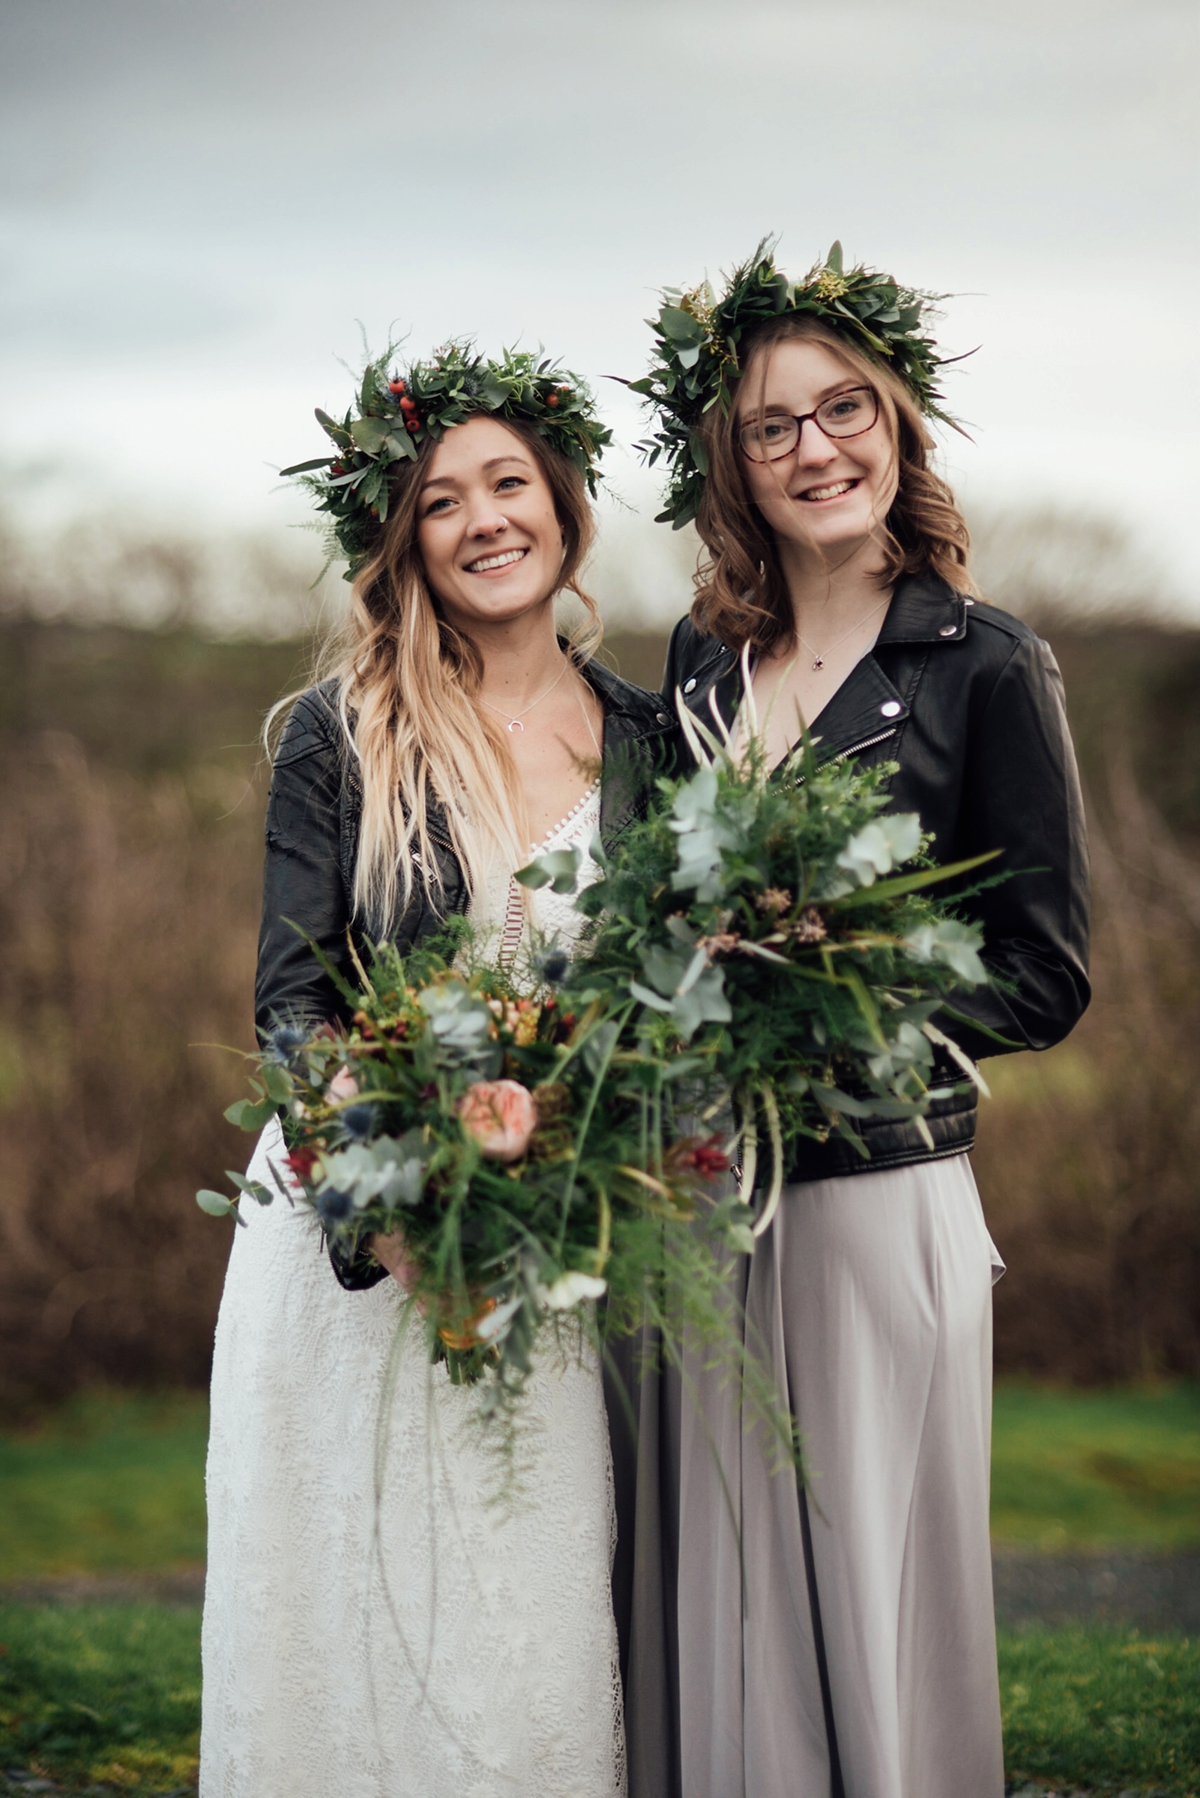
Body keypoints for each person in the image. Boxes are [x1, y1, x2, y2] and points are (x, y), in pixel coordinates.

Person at [617, 246, 1091, 1798]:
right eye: (774, 427)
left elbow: (1045, 970)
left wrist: (840, 977)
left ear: (897, 423)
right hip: (703, 1194)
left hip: (882, 1192)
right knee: (725, 1587)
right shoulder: (700, 665)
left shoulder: (984, 665)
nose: (817, 448)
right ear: (734, 467)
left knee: (877, 1593)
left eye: (844, 410)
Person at [200, 343, 675, 1798]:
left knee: (522, 1617)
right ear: (401, 538)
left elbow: (657, 1007)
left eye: (509, 484)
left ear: (565, 507)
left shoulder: (652, 740)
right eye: (441, 500)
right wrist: (392, 1203)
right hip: (362, 1248)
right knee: (350, 1621)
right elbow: (297, 1005)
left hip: (552, 1249)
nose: (483, 521)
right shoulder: (341, 737)